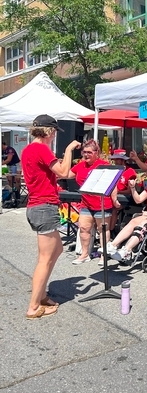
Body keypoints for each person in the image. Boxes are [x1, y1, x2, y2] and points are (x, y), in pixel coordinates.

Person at [21, 114, 81, 319]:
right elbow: (64, 172)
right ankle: (33, 307)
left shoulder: (29, 149)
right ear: (49, 131)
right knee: (45, 259)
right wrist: (68, 150)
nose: (55, 135)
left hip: (40, 206)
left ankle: (42, 295)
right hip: (42, 207)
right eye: (54, 131)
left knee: (57, 249)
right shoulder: (40, 148)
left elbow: (55, 174)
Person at [68, 139, 120, 265]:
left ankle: (103, 256)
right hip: (86, 203)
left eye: (89, 152)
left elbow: (113, 184)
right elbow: (66, 174)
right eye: (84, 152)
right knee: (84, 228)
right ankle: (85, 254)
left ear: (97, 153)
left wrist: (114, 199)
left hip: (102, 204)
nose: (86, 155)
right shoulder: (80, 165)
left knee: (103, 230)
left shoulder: (104, 165)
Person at [108, 149, 137, 231]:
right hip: (110, 196)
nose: (115, 161)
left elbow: (130, 191)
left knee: (113, 209)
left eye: (117, 159)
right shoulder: (112, 170)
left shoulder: (130, 171)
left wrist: (117, 192)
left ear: (122, 160)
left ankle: (110, 231)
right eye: (114, 159)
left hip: (124, 198)